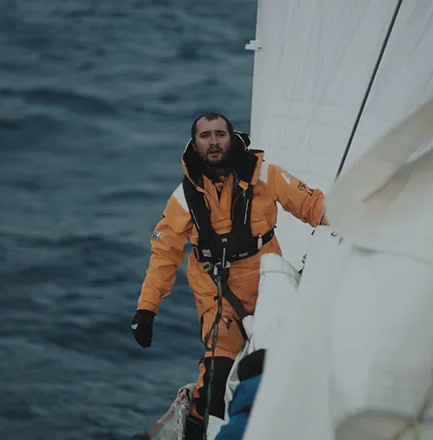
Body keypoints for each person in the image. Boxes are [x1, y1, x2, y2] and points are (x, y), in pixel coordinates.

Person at [130, 112, 328, 439]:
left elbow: (313, 205)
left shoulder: (266, 175)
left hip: (267, 281)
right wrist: (147, 309)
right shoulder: (184, 198)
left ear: (232, 137)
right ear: (194, 143)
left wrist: (352, 220)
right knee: (215, 381)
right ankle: (198, 428)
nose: (213, 142)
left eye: (220, 134)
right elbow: (165, 253)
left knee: (282, 360)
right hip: (217, 294)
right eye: (205, 135)